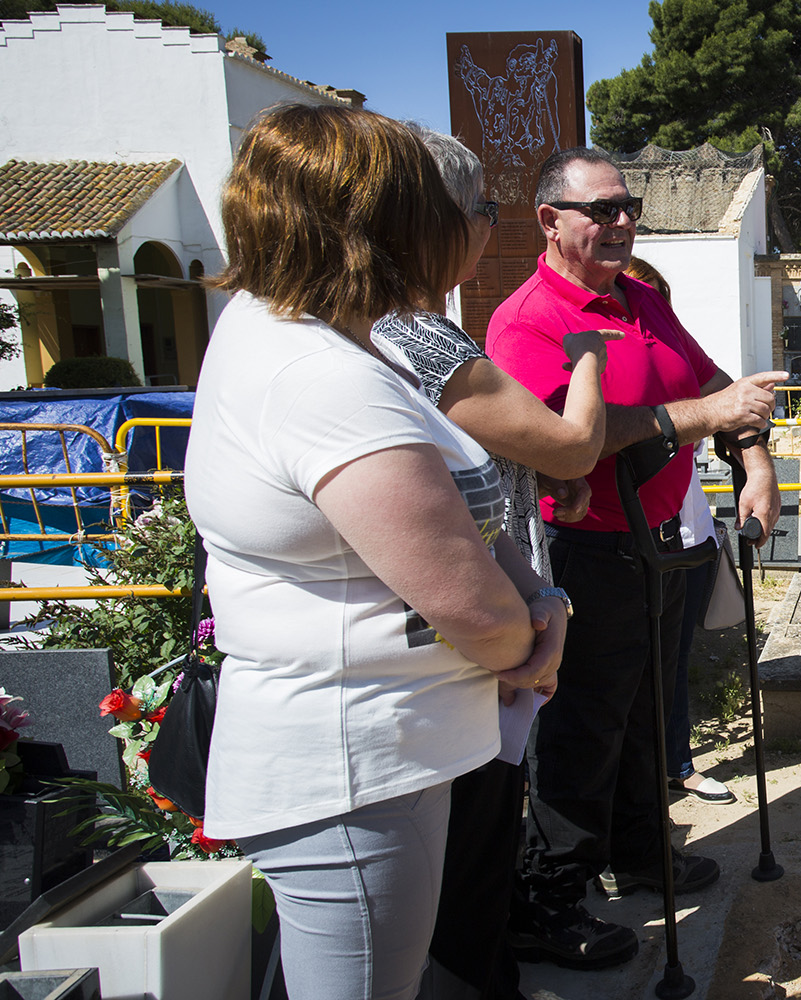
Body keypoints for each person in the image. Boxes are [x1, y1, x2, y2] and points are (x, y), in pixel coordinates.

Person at [186, 104, 564, 1000]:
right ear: (381, 227)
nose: (455, 228)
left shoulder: (298, 334)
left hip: (379, 751)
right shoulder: (319, 376)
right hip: (356, 765)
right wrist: (536, 640)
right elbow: (467, 604)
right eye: (432, 208)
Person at [488, 147, 784, 970]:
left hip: (657, 544)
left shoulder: (640, 297)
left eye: (630, 208)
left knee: (650, 709)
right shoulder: (528, 320)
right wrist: (707, 414)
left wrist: (754, 459)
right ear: (551, 220)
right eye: (603, 210)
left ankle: (641, 852)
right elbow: (566, 445)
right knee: (584, 725)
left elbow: (718, 383)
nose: (623, 223)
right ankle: (551, 897)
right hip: (583, 545)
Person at [369, 125, 608, 1000]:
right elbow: (574, 445)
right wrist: (589, 353)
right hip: (462, 638)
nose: (485, 229)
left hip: (474, 618)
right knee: (472, 840)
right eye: (482, 211)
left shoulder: (394, 329)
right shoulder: (421, 338)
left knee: (471, 839)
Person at [623, 255, 736, 806]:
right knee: (640, 669)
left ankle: (677, 762)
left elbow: (727, 402)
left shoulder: (672, 356)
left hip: (690, 531)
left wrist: (755, 464)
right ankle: (645, 780)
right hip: (631, 536)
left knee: (674, 658)